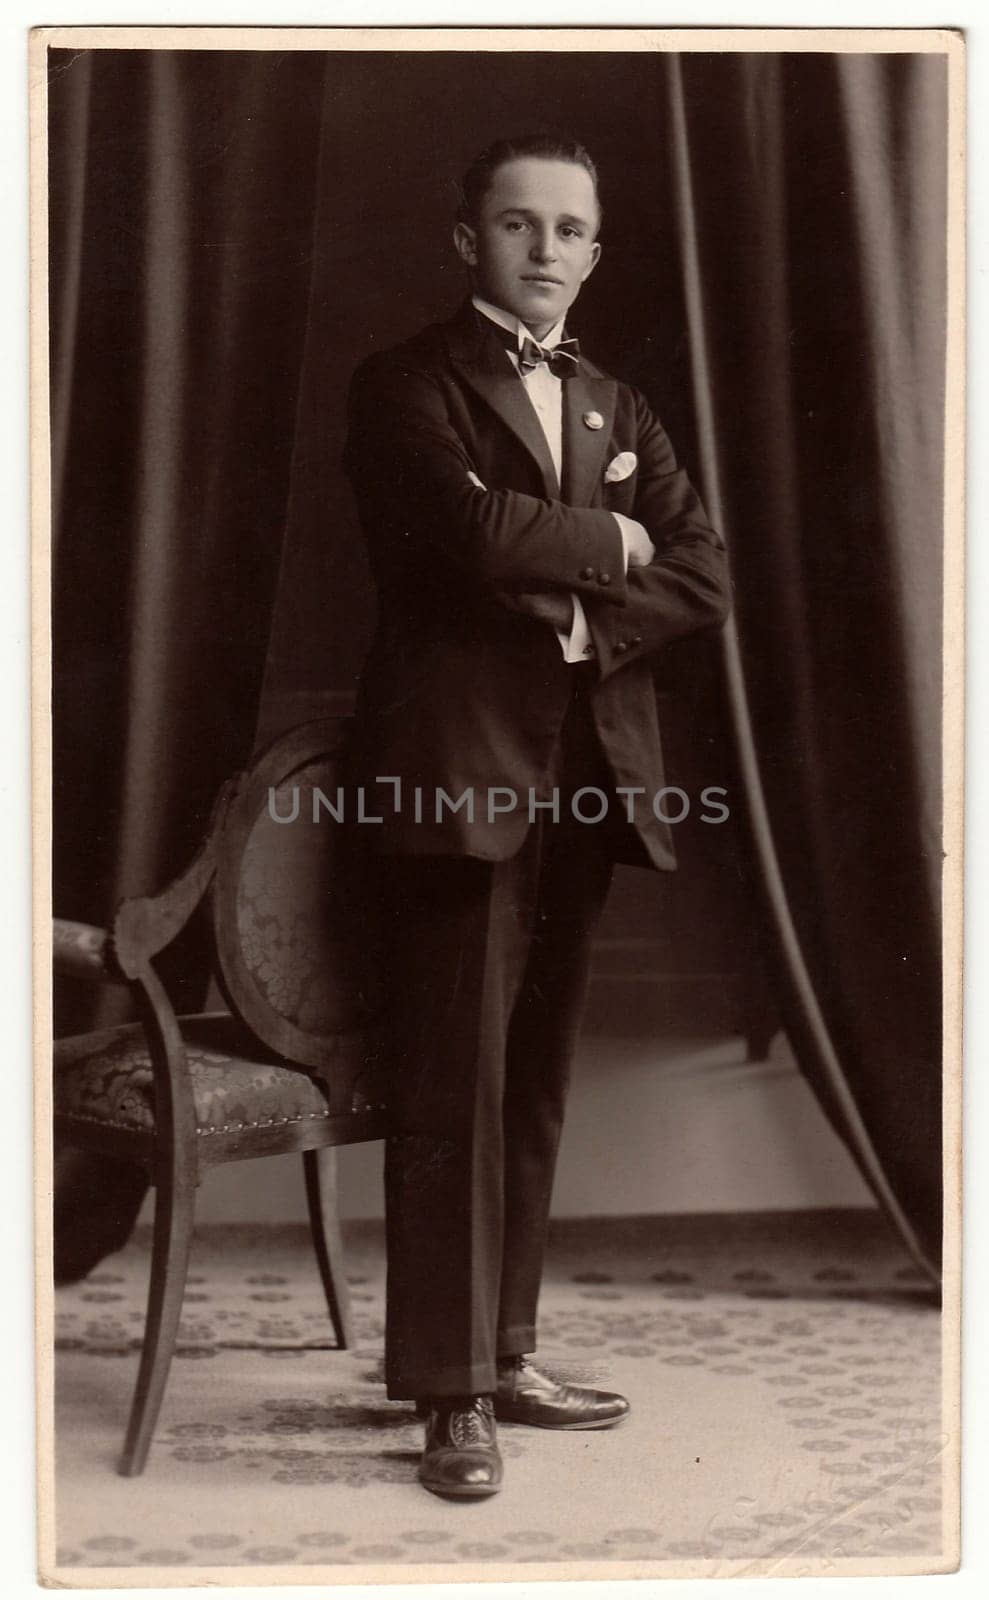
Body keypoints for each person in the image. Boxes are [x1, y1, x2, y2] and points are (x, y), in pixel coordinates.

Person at [343, 131, 731, 1499]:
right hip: (453, 773)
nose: (547, 250)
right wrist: (601, 549)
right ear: (469, 241)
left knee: (534, 1082)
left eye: (569, 230)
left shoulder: (615, 402)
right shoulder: (405, 383)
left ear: (595, 249)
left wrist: (563, 575)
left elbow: (700, 572)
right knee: (452, 1086)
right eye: (519, 226)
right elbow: (456, 538)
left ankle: (504, 1352)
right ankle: (448, 1396)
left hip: (588, 774)